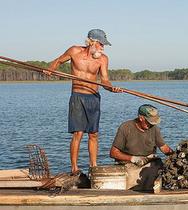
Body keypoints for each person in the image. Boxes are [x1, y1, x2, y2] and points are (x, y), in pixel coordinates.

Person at [45, 29, 122, 175]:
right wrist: (51, 69)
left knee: (93, 133)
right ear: (92, 42)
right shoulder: (74, 51)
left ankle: (93, 165)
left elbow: (104, 79)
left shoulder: (103, 59)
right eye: (101, 44)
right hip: (78, 96)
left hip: (93, 97)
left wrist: (112, 88)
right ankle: (74, 168)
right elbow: (59, 60)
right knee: (78, 133)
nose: (102, 47)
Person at [110, 104, 174, 190]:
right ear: (141, 118)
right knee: (133, 184)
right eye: (149, 122)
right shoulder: (125, 127)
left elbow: (164, 148)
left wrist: (175, 155)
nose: (151, 125)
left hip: (150, 163)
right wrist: (133, 158)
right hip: (129, 165)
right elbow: (113, 153)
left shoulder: (154, 128)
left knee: (159, 172)